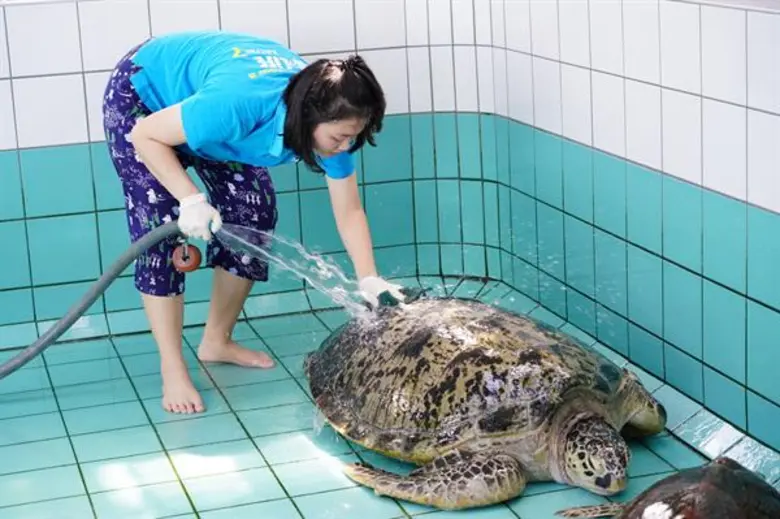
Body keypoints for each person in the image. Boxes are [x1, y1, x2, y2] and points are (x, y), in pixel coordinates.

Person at [102, 30, 412, 414]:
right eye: (340, 137)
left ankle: (217, 340)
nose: (345, 146)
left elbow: (349, 210)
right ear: (308, 118)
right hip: (145, 99)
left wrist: (369, 278)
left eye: (355, 136)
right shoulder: (239, 105)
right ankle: (172, 365)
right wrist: (191, 199)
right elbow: (146, 136)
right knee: (159, 227)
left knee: (253, 212)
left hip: (203, 115)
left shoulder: (335, 119)